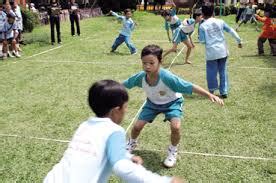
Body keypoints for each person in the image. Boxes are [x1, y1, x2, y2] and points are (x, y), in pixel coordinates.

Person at [43, 79, 184, 183]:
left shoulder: (84, 125)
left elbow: (97, 149)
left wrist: (127, 156)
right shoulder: (114, 131)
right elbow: (121, 167)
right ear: (116, 110)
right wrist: (164, 181)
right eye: (126, 107)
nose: (126, 110)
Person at [124, 45, 224, 168]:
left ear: (160, 62)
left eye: (151, 63)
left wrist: (209, 94)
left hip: (172, 103)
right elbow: (125, 84)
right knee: (137, 126)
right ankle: (131, 143)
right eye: (144, 63)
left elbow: (189, 86)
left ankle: (173, 150)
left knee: (175, 127)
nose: (147, 66)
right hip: (152, 103)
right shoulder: (141, 77)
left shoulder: (167, 77)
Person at [198, 3, 242, 98]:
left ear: (202, 13)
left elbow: (202, 41)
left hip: (211, 53)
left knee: (211, 71)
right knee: (223, 71)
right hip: (222, 51)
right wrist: (239, 40)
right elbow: (231, 30)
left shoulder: (202, 26)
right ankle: (224, 91)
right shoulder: (220, 21)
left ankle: (212, 90)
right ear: (213, 11)